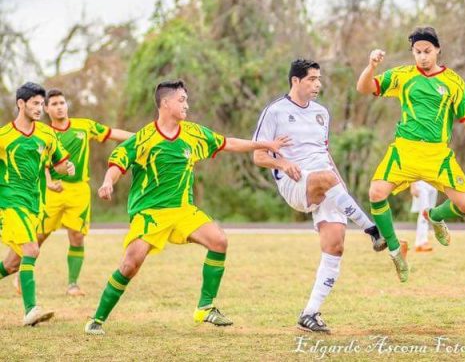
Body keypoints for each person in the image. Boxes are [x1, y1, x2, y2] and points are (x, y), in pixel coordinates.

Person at [84, 80, 289, 335]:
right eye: (182, 100)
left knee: (219, 241)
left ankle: (205, 307)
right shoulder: (144, 137)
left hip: (183, 210)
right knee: (130, 264)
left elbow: (227, 143)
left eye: (187, 100)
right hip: (150, 213)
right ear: (165, 103)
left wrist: (265, 145)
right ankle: (97, 319)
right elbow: (118, 162)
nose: (186, 105)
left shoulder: (193, 133)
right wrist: (107, 182)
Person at [356, 26, 465, 282]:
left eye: (427, 51)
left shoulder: (453, 82)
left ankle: (435, 216)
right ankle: (395, 249)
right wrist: (371, 66)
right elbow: (364, 87)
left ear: (437, 49)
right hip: (405, 150)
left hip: (437, 155)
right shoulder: (403, 75)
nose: (423, 56)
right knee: (376, 192)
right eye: (417, 52)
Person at [252, 59, 385, 333]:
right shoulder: (275, 111)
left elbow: (324, 154)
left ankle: (310, 313)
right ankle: (372, 229)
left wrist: (341, 184)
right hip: (295, 182)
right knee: (326, 178)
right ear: (295, 81)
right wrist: (282, 164)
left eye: (319, 79)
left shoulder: (322, 113)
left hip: (327, 182)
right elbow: (258, 155)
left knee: (335, 246)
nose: (318, 84)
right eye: (312, 79)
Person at [21, 88, 133, 296]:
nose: (59, 107)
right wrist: (48, 182)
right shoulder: (42, 133)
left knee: (77, 236)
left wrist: (142, 138)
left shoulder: (84, 126)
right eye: (54, 104)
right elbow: (39, 163)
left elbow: (112, 133)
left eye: (62, 103)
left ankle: (72, 284)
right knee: (38, 236)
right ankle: (21, 275)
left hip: (79, 190)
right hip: (52, 192)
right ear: (46, 109)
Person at [0, 82, 75, 325]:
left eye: (42, 104)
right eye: (35, 103)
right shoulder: (4, 137)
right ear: (21, 104)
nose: (40, 108)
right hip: (10, 203)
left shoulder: (47, 134)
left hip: (35, 204)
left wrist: (66, 168)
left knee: (12, 264)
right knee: (31, 250)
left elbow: (58, 164)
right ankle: (31, 310)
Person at [410, 181, 438, 252]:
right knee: (424, 213)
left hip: (433, 183)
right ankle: (423, 242)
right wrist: (413, 186)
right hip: (421, 184)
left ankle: (419, 243)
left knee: (429, 214)